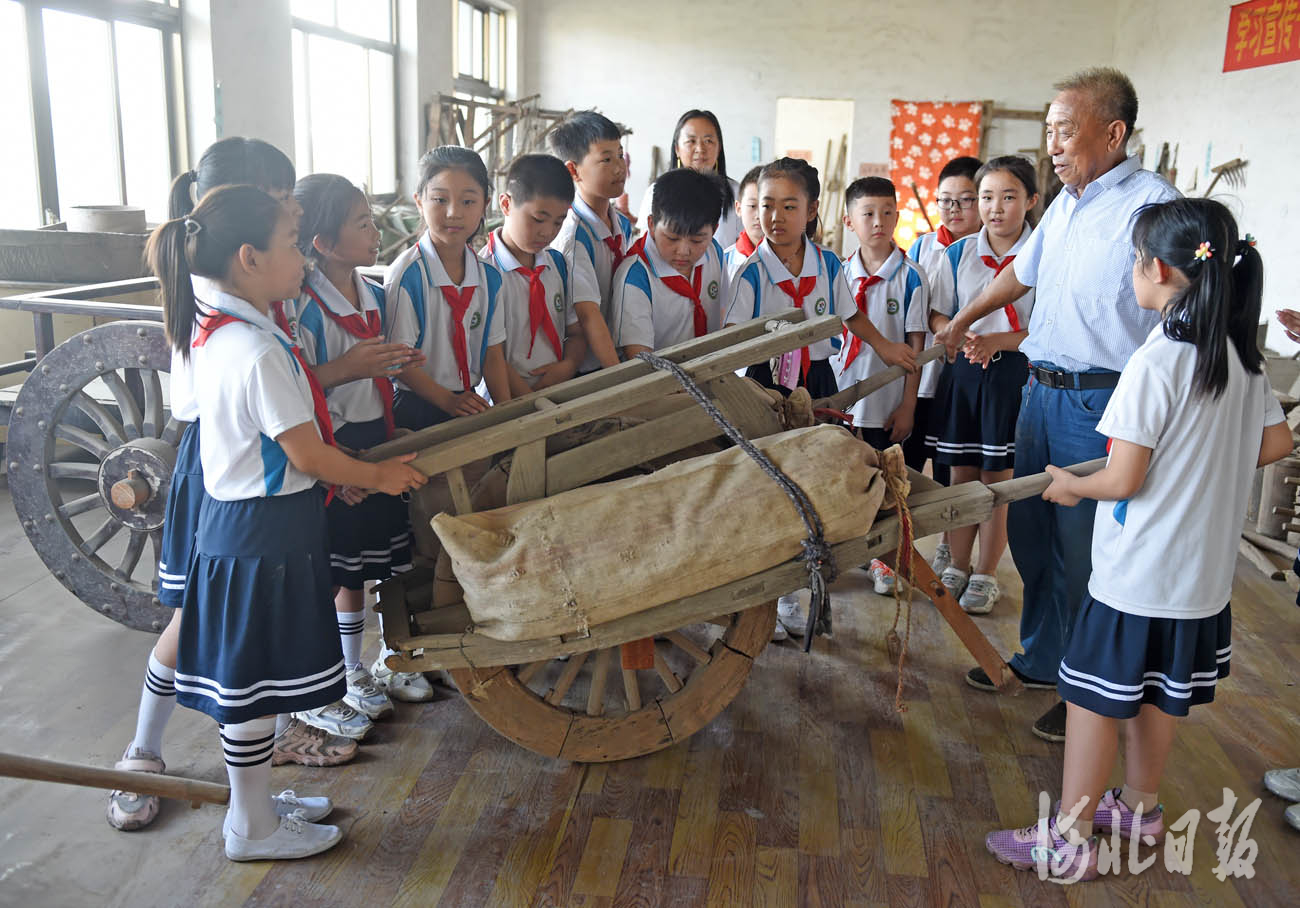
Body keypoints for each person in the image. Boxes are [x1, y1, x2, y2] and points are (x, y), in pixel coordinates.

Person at [985, 198, 1290, 881]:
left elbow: (1121, 478)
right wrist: (1200, 463)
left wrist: (1070, 487)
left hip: (1140, 573)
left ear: (1155, 269)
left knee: (1093, 698)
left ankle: (1068, 838)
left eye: (1132, 260)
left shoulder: (1157, 361)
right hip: (1202, 577)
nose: (1131, 272)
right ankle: (1140, 808)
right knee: (1158, 689)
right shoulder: (1241, 355)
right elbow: (1275, 442)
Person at [147, 184, 427, 860]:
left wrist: (339, 476)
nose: (302, 259)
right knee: (252, 688)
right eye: (292, 247)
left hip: (258, 523)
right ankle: (250, 829)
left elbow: (289, 451)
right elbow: (302, 450)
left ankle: (255, 807)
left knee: (260, 683)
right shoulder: (256, 348)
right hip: (261, 535)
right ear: (249, 257)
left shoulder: (226, 325)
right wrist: (375, 475)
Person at [109, 139, 373, 834]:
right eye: (280, 202)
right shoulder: (211, 292)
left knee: (252, 638)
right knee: (198, 619)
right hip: (224, 467)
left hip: (272, 452)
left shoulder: (256, 282)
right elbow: (263, 392)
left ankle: (261, 766)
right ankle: (142, 750)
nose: (292, 211)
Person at [935, 68, 1180, 741]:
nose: (1054, 146)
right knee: (1034, 539)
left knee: (1087, 552)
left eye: (1066, 131)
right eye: (1049, 132)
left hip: (1101, 404)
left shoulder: (1152, 207)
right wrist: (964, 319)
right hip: (1038, 394)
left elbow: (1181, 305)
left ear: (1114, 132)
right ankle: (1043, 658)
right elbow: (1021, 273)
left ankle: (1087, 691)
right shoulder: (1067, 204)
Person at [724, 157, 918, 636]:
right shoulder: (750, 273)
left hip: (821, 384)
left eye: (789, 206)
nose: (775, 216)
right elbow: (731, 339)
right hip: (766, 386)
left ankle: (809, 587)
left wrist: (888, 348)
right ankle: (772, 597)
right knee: (770, 486)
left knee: (816, 483)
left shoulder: (829, 263)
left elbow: (851, 317)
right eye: (767, 205)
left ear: (811, 211)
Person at [293, 173, 434, 721]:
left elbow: (375, 374)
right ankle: (347, 673)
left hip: (375, 436)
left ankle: (386, 662)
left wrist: (390, 398)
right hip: (337, 447)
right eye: (362, 224)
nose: (375, 233)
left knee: (382, 562)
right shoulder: (304, 308)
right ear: (323, 242)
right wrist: (350, 369)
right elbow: (300, 392)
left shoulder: (371, 294)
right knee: (345, 572)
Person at [925, 156, 1039, 615]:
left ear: (1031, 201)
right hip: (966, 374)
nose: (995, 208)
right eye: (987, 197)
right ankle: (956, 562)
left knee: (999, 479)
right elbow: (935, 311)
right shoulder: (958, 254)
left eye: (1008, 197)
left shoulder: (1044, 256)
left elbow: (1050, 330)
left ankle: (988, 572)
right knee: (960, 472)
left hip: (1015, 373)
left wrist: (998, 342)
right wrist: (953, 329)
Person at [830, 177, 928, 595]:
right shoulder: (836, 272)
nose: (878, 222)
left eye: (887, 212)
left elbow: (916, 346)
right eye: (868, 213)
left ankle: (885, 558)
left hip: (886, 402)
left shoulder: (911, 277)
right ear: (849, 221)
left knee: (888, 483)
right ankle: (842, 551)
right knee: (842, 476)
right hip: (841, 394)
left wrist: (908, 405)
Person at [385, 146, 512, 427]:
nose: (453, 213)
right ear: (419, 202)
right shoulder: (407, 276)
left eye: (468, 202)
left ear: (485, 205)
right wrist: (447, 401)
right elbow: (399, 361)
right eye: (440, 199)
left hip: (467, 402)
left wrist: (507, 415)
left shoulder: (489, 277)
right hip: (417, 405)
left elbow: (493, 354)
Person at [481, 154, 588, 393]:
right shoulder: (483, 273)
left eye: (558, 222)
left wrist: (568, 365)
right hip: (503, 400)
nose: (547, 232)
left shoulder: (557, 265)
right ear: (506, 204)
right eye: (538, 219)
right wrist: (529, 401)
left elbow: (576, 333)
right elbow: (489, 354)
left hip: (556, 392)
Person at [907, 155, 982, 491]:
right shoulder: (922, 246)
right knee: (911, 458)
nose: (954, 209)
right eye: (945, 200)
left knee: (951, 462)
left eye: (965, 200)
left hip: (966, 374)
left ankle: (949, 544)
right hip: (922, 375)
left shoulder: (989, 250)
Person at [609, 167, 728, 356]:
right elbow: (639, 359)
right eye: (672, 238)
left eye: (697, 240)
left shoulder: (715, 253)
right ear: (651, 224)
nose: (683, 251)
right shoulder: (636, 276)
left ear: (713, 230)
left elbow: (723, 315)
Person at [548, 110, 629, 374]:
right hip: (591, 369)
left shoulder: (621, 224)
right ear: (573, 170)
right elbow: (587, 314)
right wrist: (620, 376)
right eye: (605, 159)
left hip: (617, 355)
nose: (619, 167)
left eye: (619, 154)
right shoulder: (573, 236)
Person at [638, 110, 741, 247]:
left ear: (719, 148)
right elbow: (647, 246)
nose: (700, 149)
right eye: (691, 141)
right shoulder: (655, 192)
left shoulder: (736, 193)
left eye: (708, 141)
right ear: (677, 149)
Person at [723, 165, 763, 278]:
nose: (759, 215)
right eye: (752, 206)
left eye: (766, 206)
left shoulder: (791, 260)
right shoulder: (722, 263)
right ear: (738, 208)